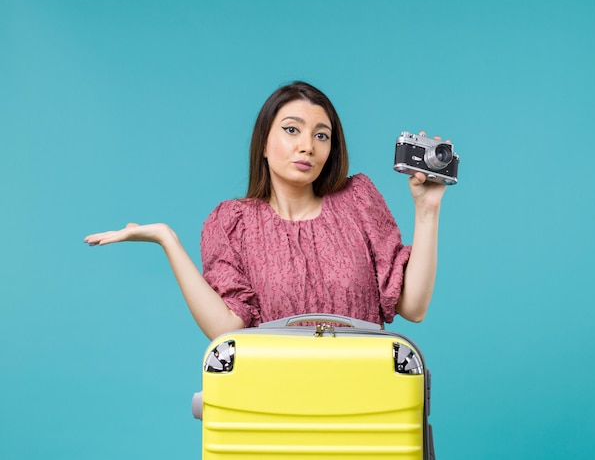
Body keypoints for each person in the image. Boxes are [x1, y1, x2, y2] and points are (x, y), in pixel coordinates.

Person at [84, 81, 448, 340]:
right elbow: (226, 329)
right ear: (264, 142)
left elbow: (413, 307)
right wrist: (167, 239)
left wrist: (426, 209)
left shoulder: (358, 199)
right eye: (292, 130)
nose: (307, 146)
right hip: (274, 405)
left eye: (322, 135)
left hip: (364, 403)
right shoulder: (231, 223)